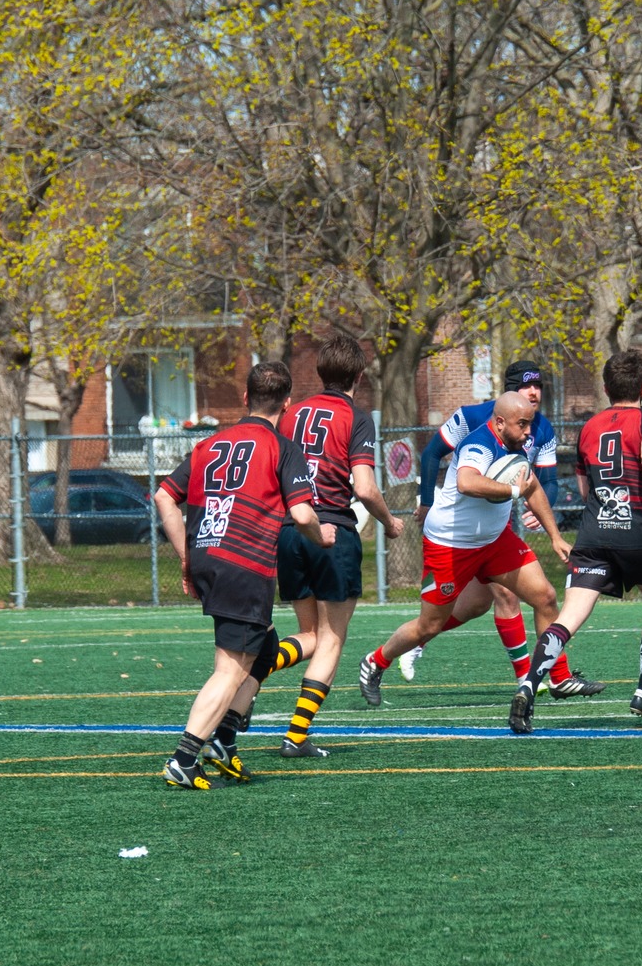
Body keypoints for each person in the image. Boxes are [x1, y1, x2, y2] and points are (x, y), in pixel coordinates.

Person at [152, 360, 327, 789]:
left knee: (264, 648)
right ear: (287, 404)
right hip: (244, 561)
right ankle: (185, 755)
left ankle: (224, 740)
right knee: (229, 668)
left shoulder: (209, 443)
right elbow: (302, 512)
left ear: (246, 398)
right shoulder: (283, 447)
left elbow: (163, 497)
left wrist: (187, 558)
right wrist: (321, 536)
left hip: (209, 553)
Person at [357, 391, 572, 707]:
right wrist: (514, 490)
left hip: (495, 542)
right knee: (428, 625)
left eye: (529, 424)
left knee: (545, 597)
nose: (529, 432)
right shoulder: (477, 444)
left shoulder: (517, 444)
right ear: (500, 422)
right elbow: (466, 482)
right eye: (522, 424)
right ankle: (376, 661)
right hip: (450, 545)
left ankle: (556, 678)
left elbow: (534, 488)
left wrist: (555, 536)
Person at [244, 338, 404, 761]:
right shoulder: (356, 416)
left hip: (289, 531)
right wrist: (390, 522)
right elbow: (365, 488)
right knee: (331, 639)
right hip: (331, 530)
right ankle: (295, 736)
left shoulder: (290, 412)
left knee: (311, 636)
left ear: (320, 373)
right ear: (359, 375)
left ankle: (252, 674)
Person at [405, 359, 600, 697]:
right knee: (500, 598)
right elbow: (432, 454)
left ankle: (547, 676)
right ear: (509, 391)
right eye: (527, 386)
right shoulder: (471, 417)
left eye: (538, 385)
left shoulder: (542, 428)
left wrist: (543, 513)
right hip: (459, 527)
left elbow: (547, 481)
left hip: (496, 525)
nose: (534, 392)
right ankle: (527, 675)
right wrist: (426, 501)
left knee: (494, 602)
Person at [510, 350, 642, 733]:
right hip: (636, 529)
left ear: (605, 388)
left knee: (569, 616)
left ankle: (529, 685)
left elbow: (586, 486)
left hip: (594, 533)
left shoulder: (589, 427)